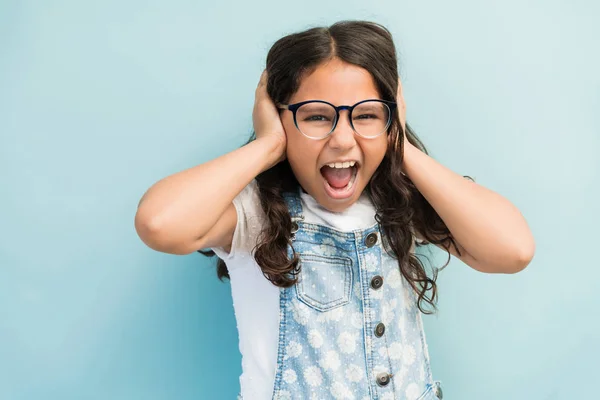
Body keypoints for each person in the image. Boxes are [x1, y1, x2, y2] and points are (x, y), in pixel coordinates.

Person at [134, 20, 535, 400]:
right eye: (316, 116)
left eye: (366, 115)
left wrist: (402, 149)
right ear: (279, 117)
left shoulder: (397, 203)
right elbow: (159, 222)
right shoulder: (256, 215)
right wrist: (267, 145)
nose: (343, 139)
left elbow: (513, 250)